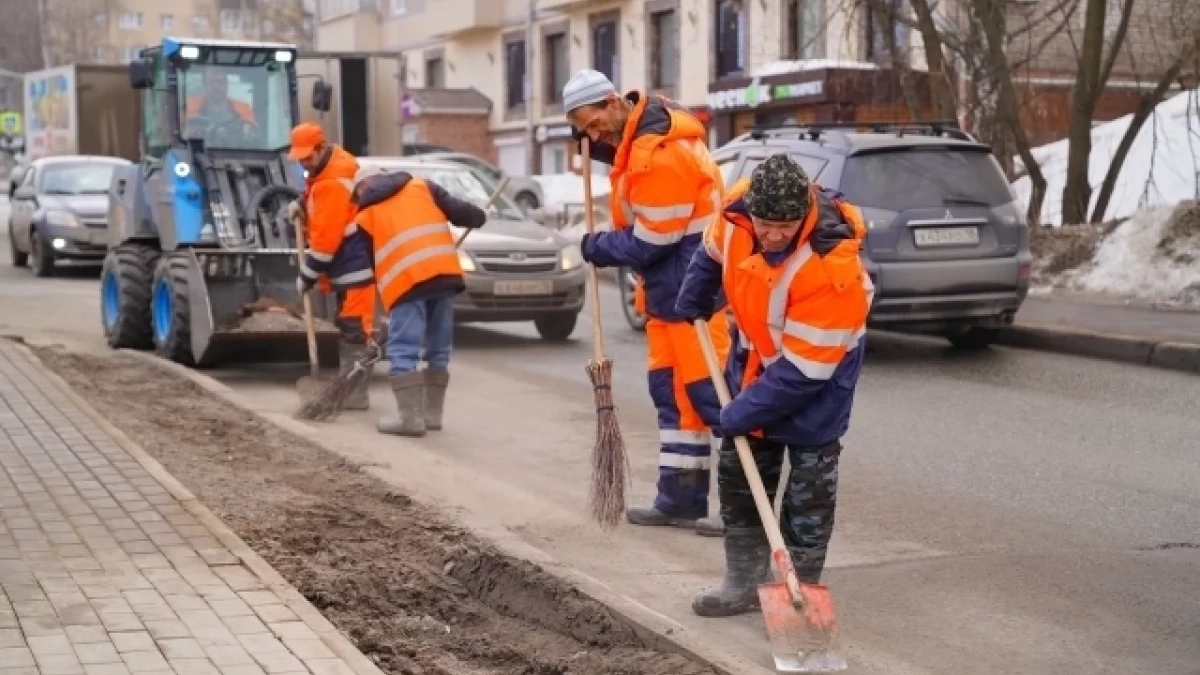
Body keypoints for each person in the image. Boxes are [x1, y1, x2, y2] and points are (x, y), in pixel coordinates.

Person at [674, 154, 873, 617]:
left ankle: (794, 593)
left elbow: (803, 372)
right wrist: (697, 290)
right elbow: (712, 249)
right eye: (766, 224)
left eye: (787, 225)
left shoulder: (829, 263)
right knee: (741, 473)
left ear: (803, 213)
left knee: (809, 484)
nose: (775, 235)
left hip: (821, 369)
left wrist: (738, 414)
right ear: (751, 215)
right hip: (757, 354)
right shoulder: (737, 214)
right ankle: (742, 582)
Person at [562, 68, 731, 535]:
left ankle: (743, 507)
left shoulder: (660, 154)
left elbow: (652, 240)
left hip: (694, 294)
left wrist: (596, 247)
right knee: (673, 399)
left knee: (714, 397)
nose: (593, 135)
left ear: (614, 102)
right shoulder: (636, 141)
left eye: (594, 123)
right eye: (584, 130)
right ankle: (680, 498)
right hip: (664, 294)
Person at [350, 166, 487, 436]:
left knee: (404, 349)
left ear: (362, 187)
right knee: (438, 348)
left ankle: (410, 420)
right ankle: (432, 416)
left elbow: (366, 265)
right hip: (444, 274)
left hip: (407, 284)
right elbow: (466, 214)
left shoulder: (365, 217)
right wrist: (480, 216)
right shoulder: (423, 187)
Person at [289, 122, 379, 410]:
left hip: (355, 264)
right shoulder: (325, 173)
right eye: (300, 157)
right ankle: (350, 390)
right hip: (347, 264)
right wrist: (302, 206)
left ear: (321, 148)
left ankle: (356, 394)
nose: (304, 162)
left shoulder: (332, 182)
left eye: (308, 156)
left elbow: (326, 241)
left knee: (356, 330)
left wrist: (307, 275)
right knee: (350, 327)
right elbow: (321, 211)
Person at [186, 68, 255, 125]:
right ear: (204, 85)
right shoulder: (189, 107)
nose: (216, 86)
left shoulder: (244, 109)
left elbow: (251, 137)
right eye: (211, 82)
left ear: (227, 84)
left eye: (220, 81)